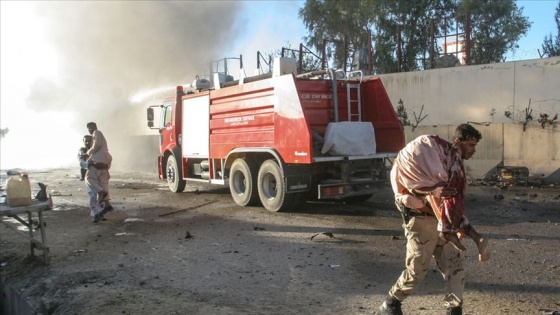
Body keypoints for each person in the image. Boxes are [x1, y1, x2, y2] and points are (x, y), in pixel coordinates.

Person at [378, 124, 490, 315]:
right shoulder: (415, 164)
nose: (473, 150)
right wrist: (434, 195)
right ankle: (391, 302)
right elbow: (411, 198)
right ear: (458, 142)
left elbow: (450, 203)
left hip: (441, 224)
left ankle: (454, 309)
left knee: (454, 268)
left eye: (474, 146)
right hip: (420, 223)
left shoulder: (449, 163)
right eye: (470, 145)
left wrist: (452, 223)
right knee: (416, 271)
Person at [84, 122, 113, 223]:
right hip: (102, 166)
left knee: (90, 180)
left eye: (91, 128)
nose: (87, 143)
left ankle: (100, 207)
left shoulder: (97, 134)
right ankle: (105, 207)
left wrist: (89, 153)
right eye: (85, 141)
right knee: (103, 187)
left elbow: (97, 145)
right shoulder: (83, 150)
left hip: (98, 166)